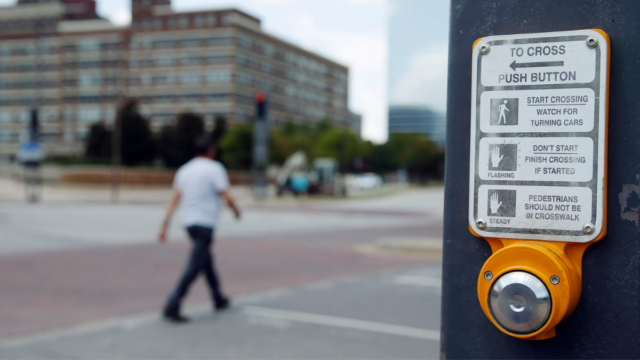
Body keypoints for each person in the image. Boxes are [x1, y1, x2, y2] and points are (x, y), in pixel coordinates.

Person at [158, 137, 241, 323]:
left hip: (189, 224)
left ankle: (218, 297)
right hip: (206, 223)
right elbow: (226, 196)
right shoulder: (215, 168)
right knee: (195, 264)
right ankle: (173, 303)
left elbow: (174, 199)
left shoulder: (184, 170)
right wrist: (236, 211)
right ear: (210, 151)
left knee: (205, 260)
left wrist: (165, 224)